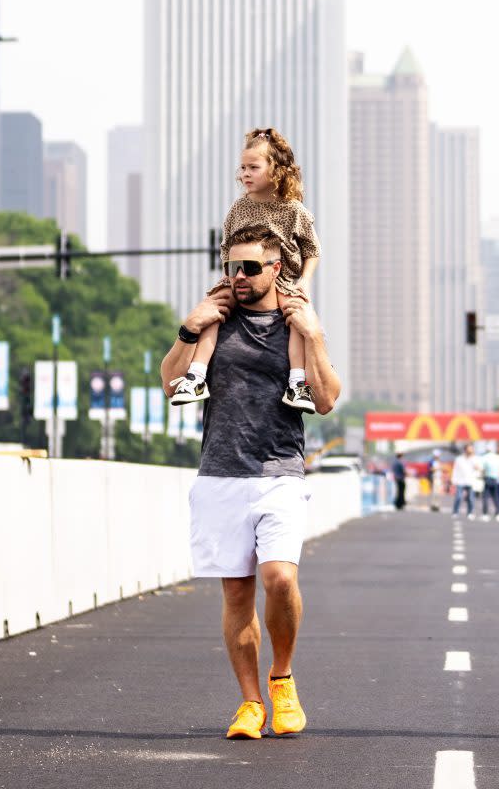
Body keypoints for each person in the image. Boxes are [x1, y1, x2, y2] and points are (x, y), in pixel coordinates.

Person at [160, 225, 341, 740]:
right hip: (219, 473)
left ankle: (281, 677)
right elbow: (172, 384)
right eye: (231, 267)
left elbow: (326, 400)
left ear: (275, 268)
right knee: (236, 596)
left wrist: (317, 335)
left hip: (278, 472)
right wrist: (187, 330)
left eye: (249, 268)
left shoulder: (295, 319)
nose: (238, 277)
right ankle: (250, 704)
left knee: (279, 578)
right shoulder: (215, 318)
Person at [170, 128, 321, 413]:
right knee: (213, 311)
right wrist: (229, 278)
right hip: (238, 275)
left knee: (298, 320)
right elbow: (226, 247)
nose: (245, 174)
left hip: (282, 279)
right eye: (243, 167)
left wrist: (304, 282)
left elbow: (312, 250)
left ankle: (298, 383)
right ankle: (196, 376)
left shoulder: (293, 210)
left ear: (275, 170)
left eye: (254, 167)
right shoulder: (238, 208)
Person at [451, 444, 479, 520]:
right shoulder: (459, 459)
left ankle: (470, 512)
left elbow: (478, 468)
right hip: (460, 481)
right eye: (469, 449)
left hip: (470, 481)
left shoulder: (474, 459)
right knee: (459, 497)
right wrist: (453, 480)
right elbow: (455, 470)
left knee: (470, 498)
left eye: (471, 449)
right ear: (465, 450)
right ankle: (455, 512)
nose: (470, 451)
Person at [480, 444, 499, 521]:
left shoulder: (485, 457)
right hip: (495, 479)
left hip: (488, 478)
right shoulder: (497, 457)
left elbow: (481, 468)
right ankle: (498, 513)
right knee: (496, 497)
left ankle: (485, 514)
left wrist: (484, 473)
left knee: (485, 497)